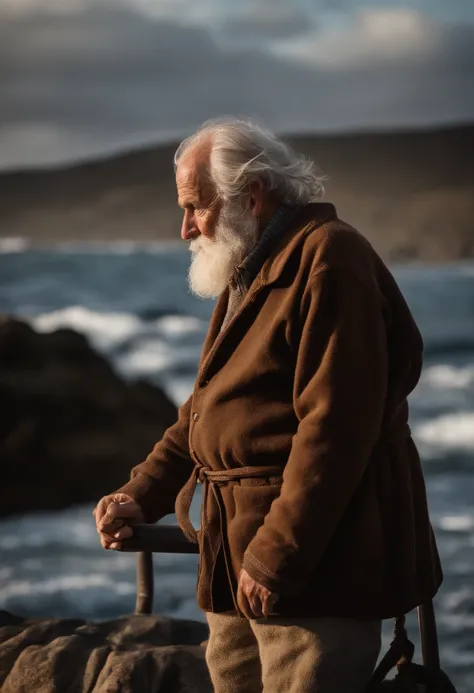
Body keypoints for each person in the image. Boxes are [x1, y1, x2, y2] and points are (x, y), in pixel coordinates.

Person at [93, 118, 443, 693]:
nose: (185, 228)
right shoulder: (250, 266)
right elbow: (207, 409)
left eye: (196, 207)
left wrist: (277, 552)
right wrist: (141, 493)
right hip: (235, 562)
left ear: (250, 196)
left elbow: (336, 426)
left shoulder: (330, 258)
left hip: (312, 572)